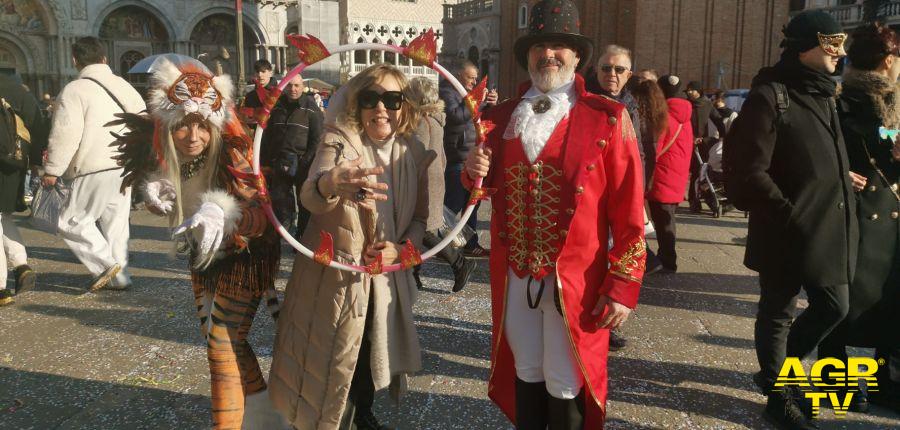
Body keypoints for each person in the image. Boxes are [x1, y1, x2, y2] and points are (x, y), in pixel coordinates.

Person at [464, 1, 646, 428]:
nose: (549, 54)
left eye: (560, 46)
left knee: (565, 379)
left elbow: (629, 208)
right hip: (515, 276)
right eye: (540, 46)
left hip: (577, 281)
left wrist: (623, 283)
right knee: (526, 368)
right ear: (527, 56)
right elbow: (480, 188)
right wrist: (471, 172)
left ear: (577, 56)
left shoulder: (609, 118)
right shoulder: (501, 116)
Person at [113, 58, 283, 429]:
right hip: (201, 257)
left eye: (203, 126)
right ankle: (264, 418)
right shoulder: (163, 153)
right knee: (225, 340)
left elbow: (260, 217)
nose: (194, 136)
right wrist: (156, 194)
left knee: (220, 343)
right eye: (184, 126)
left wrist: (226, 214)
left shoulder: (233, 153)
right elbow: (165, 196)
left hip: (245, 255)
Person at [269, 63, 434, 430]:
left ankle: (362, 413)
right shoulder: (338, 140)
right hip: (336, 280)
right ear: (356, 105)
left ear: (404, 105)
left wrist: (402, 248)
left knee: (370, 351)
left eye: (392, 99)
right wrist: (332, 182)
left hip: (384, 278)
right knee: (332, 362)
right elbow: (311, 194)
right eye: (370, 98)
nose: (381, 108)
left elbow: (421, 219)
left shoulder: (414, 152)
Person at [724, 10, 857, 429]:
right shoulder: (771, 95)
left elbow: (809, 153)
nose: (841, 51)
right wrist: (786, 210)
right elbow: (748, 171)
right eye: (831, 43)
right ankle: (779, 397)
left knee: (835, 306)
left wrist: (840, 175)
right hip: (784, 227)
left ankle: (779, 373)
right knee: (779, 311)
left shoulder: (824, 93)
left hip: (827, 224)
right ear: (806, 47)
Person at [817, 21, 900, 414]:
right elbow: (835, 150)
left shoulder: (855, 98)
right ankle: (834, 386)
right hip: (857, 213)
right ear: (888, 61)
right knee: (846, 303)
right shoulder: (844, 100)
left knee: (883, 303)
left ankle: (880, 382)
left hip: (887, 216)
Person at [42, 37, 145, 292]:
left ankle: (105, 265)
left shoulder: (74, 90)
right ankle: (120, 276)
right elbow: (143, 120)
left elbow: (66, 133)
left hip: (93, 165)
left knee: (70, 220)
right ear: (105, 59)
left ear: (75, 60)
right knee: (116, 223)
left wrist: (52, 169)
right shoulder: (123, 86)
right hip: (124, 164)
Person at [407, 76, 477, 293]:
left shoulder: (420, 122)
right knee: (415, 232)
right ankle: (413, 275)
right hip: (434, 179)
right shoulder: (435, 119)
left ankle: (459, 263)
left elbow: (418, 157)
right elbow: (441, 155)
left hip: (423, 184)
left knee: (424, 231)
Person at [440, 60, 496, 258]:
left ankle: (470, 244)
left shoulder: (465, 95)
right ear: (458, 75)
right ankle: (438, 243)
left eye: (475, 78)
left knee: (472, 204)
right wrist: (478, 100)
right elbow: (456, 116)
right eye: (470, 78)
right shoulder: (447, 91)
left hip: (470, 156)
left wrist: (489, 104)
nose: (474, 82)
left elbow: (478, 117)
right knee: (452, 206)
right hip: (458, 158)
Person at [0, 74, 46, 305]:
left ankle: (0, 288)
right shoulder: (16, 88)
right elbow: (38, 125)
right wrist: (36, 161)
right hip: (15, 162)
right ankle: (21, 266)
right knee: (4, 217)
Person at [259, 74, 323, 237]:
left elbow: (317, 139)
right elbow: (267, 136)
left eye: (296, 86)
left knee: (304, 202)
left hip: (303, 163)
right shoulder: (277, 107)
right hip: (280, 162)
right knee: (280, 201)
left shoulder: (311, 108)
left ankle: (302, 237)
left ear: (302, 87)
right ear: (285, 87)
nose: (293, 89)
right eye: (290, 86)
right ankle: (284, 234)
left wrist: (306, 160)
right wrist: (265, 161)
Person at [644, 75, 694, 273]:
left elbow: (656, 149)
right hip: (677, 176)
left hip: (662, 177)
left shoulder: (664, 117)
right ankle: (667, 257)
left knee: (663, 221)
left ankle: (668, 261)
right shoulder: (686, 116)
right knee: (668, 219)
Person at [685, 80, 726, 214]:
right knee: (687, 171)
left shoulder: (707, 104)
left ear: (699, 91)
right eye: (688, 90)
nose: (689, 92)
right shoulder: (686, 105)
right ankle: (690, 198)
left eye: (692, 89)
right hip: (686, 142)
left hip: (702, 144)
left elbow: (718, 120)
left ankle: (695, 200)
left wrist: (723, 136)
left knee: (699, 172)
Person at [240, 59, 277, 127]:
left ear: (270, 73)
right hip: (256, 135)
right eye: (257, 72)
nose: (260, 75)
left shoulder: (279, 94)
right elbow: (247, 118)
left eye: (263, 71)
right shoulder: (250, 96)